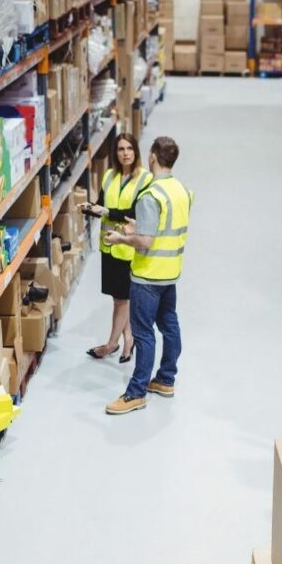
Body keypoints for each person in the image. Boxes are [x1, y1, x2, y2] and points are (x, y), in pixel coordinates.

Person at [102, 136, 192, 415]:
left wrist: (121, 237)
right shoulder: (180, 190)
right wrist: (140, 224)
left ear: (152, 156)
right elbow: (164, 228)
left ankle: (136, 392)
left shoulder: (150, 195)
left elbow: (146, 241)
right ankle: (166, 379)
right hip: (170, 272)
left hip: (148, 276)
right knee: (169, 325)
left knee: (142, 334)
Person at [82, 133, 152, 363]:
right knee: (119, 298)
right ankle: (129, 339)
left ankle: (111, 344)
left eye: (129, 148)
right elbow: (102, 205)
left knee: (122, 300)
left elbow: (136, 213)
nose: (125, 153)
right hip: (109, 246)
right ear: (116, 153)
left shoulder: (145, 179)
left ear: (136, 151)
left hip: (128, 247)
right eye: (121, 149)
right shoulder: (110, 175)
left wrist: (107, 212)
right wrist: (90, 208)